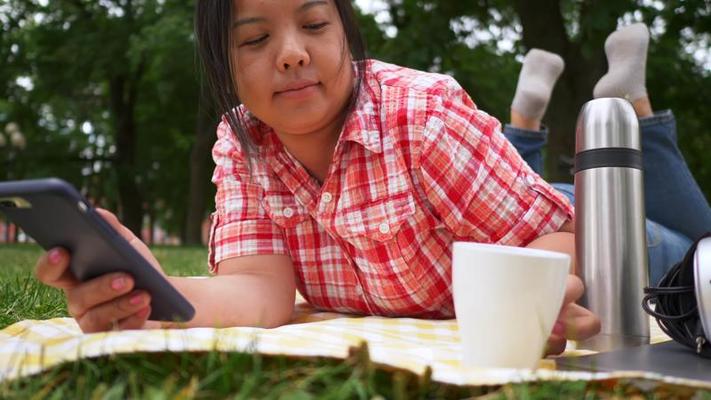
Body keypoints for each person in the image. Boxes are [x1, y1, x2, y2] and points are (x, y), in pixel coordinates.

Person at [41, 0, 711, 357]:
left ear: (348, 38)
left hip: (618, 242)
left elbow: (558, 238)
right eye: (253, 40)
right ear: (224, 67)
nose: (292, 52)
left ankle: (635, 111)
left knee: (696, 243)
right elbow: (258, 295)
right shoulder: (242, 143)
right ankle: (530, 118)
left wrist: (536, 299)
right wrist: (153, 293)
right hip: (502, 196)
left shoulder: (418, 118)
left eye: (313, 23)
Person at [505, 23, 711, 286]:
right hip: (554, 205)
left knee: (702, 246)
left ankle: (634, 104)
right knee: (701, 253)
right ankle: (524, 124)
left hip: (576, 217)